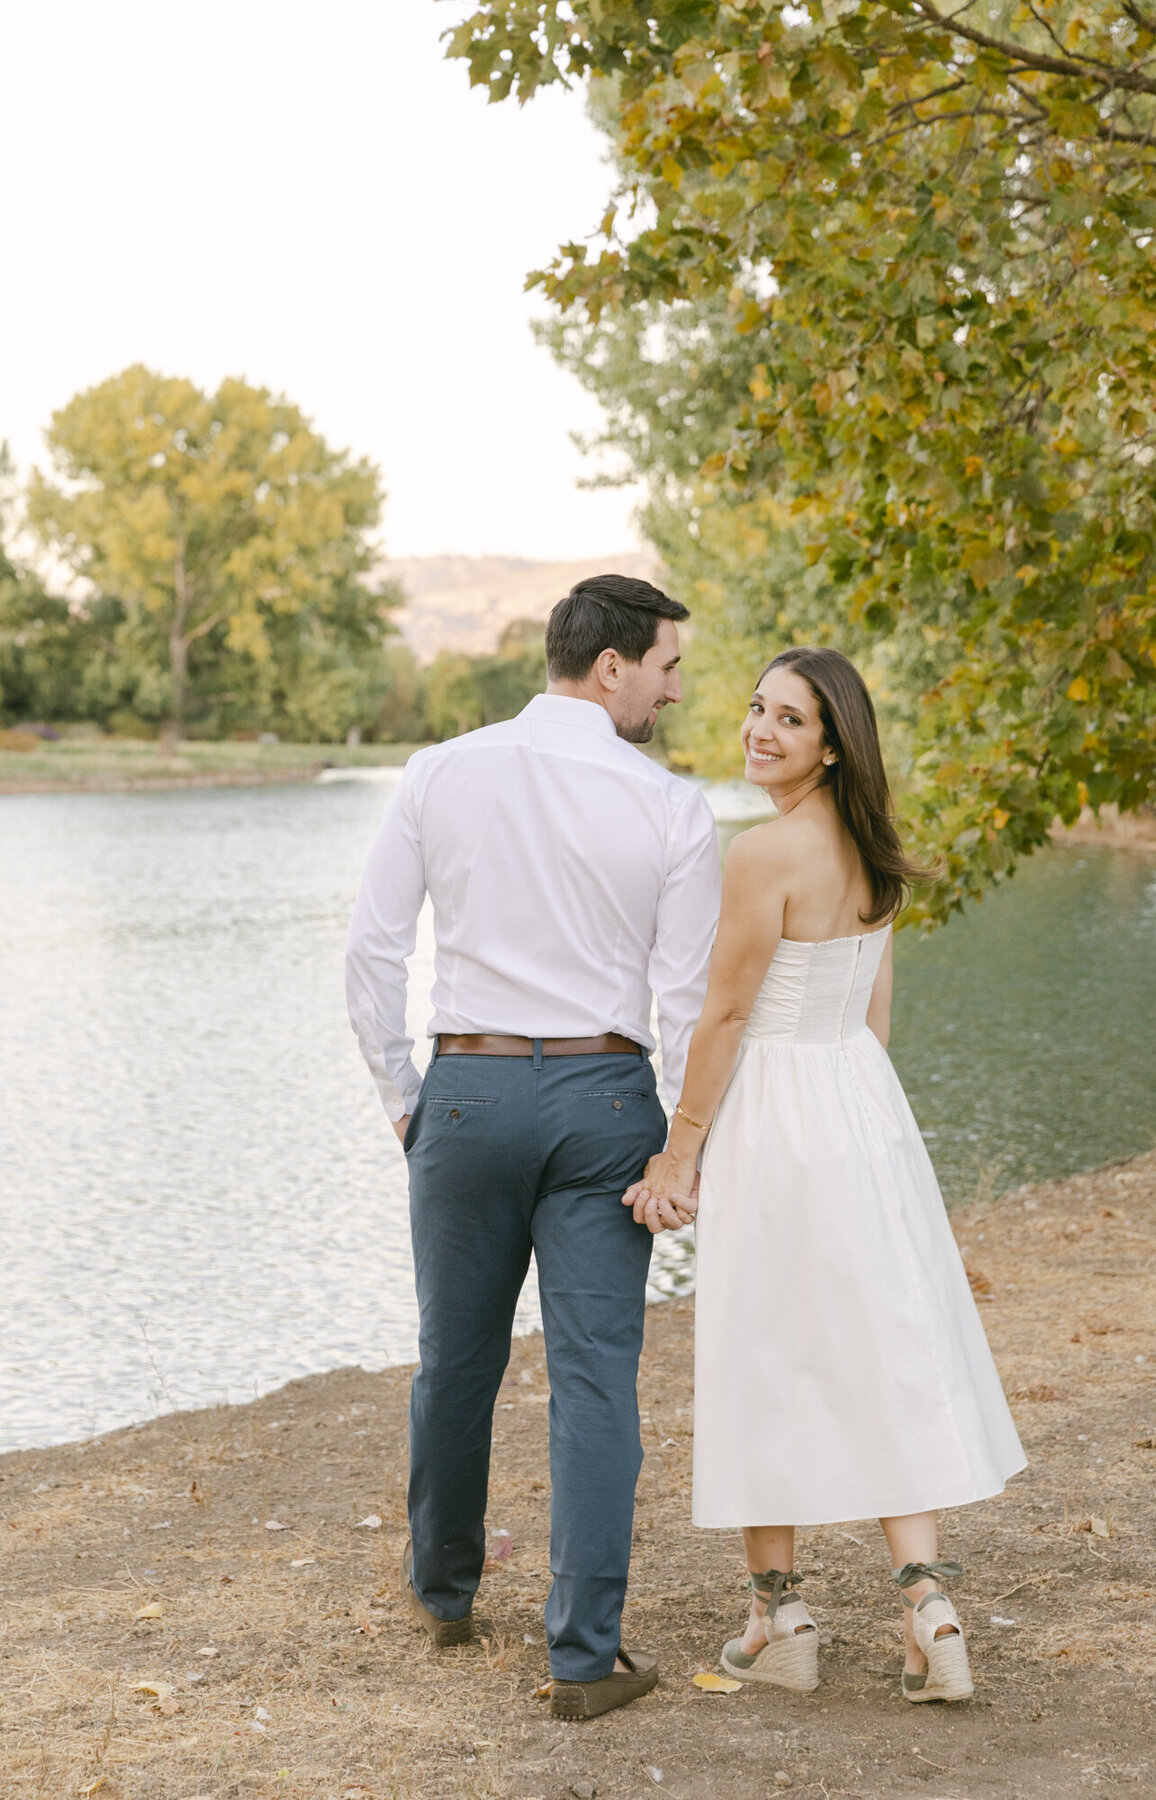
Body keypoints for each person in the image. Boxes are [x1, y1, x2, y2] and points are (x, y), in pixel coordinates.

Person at [345, 574, 721, 1720]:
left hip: (465, 1090)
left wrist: (409, 1098)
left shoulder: (439, 770)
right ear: (609, 666)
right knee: (596, 1378)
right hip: (606, 1101)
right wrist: (678, 1151)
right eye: (665, 666)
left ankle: (446, 1591)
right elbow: (688, 1007)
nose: (672, 689)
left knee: (455, 1360)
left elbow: (371, 954)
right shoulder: (672, 805)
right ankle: (582, 1660)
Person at [624, 646, 1025, 1704]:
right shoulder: (874, 848)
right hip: (860, 1101)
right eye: (757, 709)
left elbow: (723, 1017)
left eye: (789, 720)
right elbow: (876, 1014)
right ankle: (928, 1607)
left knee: (768, 1344)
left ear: (833, 743)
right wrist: (855, 1113)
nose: (761, 730)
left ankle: (780, 1616)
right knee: (884, 1339)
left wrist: (681, 1150)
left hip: (780, 1109)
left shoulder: (765, 855)